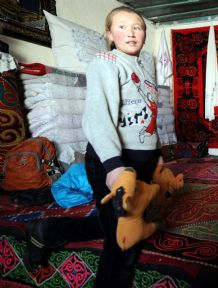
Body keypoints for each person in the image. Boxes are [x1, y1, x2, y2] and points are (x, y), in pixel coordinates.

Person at [25, 6, 162, 287]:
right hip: (112, 161)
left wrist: (156, 155)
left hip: (142, 160)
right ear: (109, 34)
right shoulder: (106, 62)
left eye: (137, 27)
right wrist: (112, 166)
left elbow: (148, 115)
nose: (131, 32)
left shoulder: (145, 66)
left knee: (121, 224)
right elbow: (98, 117)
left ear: (145, 35)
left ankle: (48, 230)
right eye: (122, 26)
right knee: (124, 240)